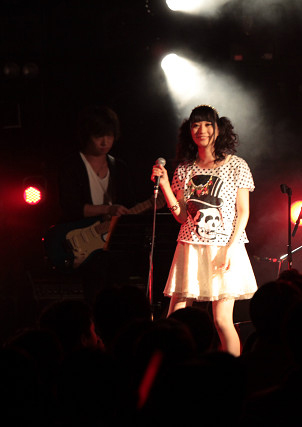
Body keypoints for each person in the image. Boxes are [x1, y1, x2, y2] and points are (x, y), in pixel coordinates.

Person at [151, 105, 257, 356]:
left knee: (222, 320)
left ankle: (233, 371)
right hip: (190, 247)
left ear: (218, 129)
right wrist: (165, 185)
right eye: (196, 125)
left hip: (225, 247)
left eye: (208, 124)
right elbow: (181, 216)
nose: (202, 130)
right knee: (175, 317)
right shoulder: (185, 169)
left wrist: (229, 249)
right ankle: (172, 367)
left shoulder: (236, 165)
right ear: (189, 131)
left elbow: (243, 212)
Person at [55, 105, 138, 303]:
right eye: (99, 136)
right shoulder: (71, 166)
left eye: (109, 136)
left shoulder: (119, 167)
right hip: (83, 243)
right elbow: (70, 206)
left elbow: (129, 204)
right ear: (87, 135)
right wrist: (107, 209)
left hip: (112, 244)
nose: (105, 142)